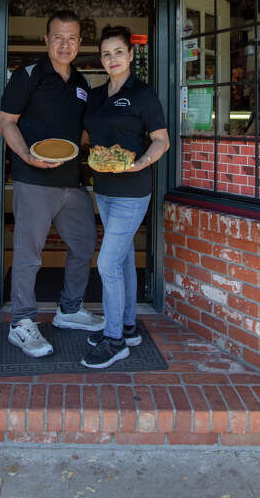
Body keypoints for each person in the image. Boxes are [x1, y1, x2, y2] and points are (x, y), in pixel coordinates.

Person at [0, 10, 104, 358]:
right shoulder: (26, 75)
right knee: (29, 257)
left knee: (85, 245)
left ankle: (69, 309)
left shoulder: (82, 84)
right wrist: (27, 157)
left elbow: (83, 132)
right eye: (58, 37)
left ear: (80, 44)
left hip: (72, 183)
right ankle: (22, 323)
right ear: (46, 40)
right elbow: (6, 123)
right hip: (34, 181)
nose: (65, 44)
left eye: (72, 38)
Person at [80, 25, 169, 369]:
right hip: (103, 188)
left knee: (106, 263)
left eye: (118, 51)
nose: (112, 59)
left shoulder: (142, 93)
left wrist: (140, 163)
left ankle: (115, 339)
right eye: (106, 53)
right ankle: (129, 325)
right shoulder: (98, 95)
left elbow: (161, 140)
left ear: (131, 55)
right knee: (124, 257)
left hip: (133, 190)